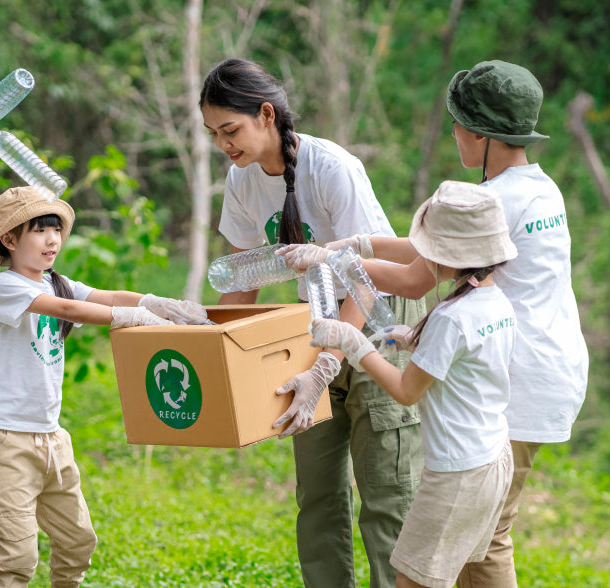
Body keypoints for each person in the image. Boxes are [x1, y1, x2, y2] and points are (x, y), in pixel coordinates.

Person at [280, 60, 589, 587]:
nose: (453, 135)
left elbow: (414, 279)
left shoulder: (493, 200)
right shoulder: (538, 188)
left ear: (480, 133)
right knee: (479, 538)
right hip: (550, 366)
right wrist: (359, 243)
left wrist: (334, 259)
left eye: (457, 125)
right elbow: (436, 249)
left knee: (484, 539)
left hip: (517, 381)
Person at [200, 57, 425, 588]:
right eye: (213, 134)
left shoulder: (331, 167)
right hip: (315, 322)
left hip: (378, 321)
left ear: (266, 115)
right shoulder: (241, 179)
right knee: (317, 491)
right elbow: (243, 277)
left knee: (386, 493)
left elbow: (367, 279)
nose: (222, 144)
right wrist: (213, 345)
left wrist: (326, 366)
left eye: (230, 130)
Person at [0, 186, 207, 587]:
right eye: (40, 230)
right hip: (6, 438)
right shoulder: (6, 286)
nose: (53, 239)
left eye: (56, 230)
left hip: (52, 437)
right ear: (9, 239)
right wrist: (132, 319)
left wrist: (156, 303)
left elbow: (107, 295)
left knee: (78, 541)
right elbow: (68, 309)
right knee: (18, 557)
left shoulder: (55, 281)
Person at [310, 180, 518, 588]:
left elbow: (407, 391)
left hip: (456, 475)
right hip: (494, 458)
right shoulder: (497, 303)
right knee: (466, 572)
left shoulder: (451, 318)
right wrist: (414, 339)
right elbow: (468, 361)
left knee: (411, 581)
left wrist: (353, 344)